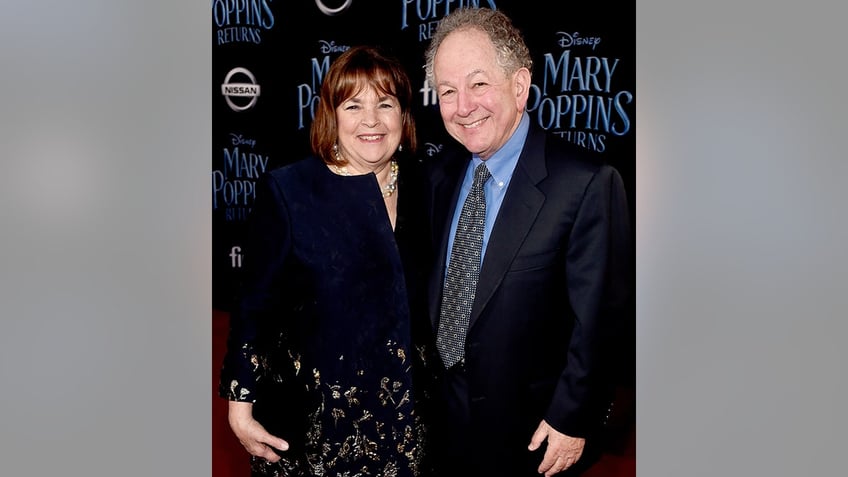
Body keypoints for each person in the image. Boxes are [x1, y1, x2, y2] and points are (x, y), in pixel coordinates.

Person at [422, 8, 633, 477]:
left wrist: (572, 417)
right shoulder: (438, 177)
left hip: (532, 437)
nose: (462, 106)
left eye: (478, 85)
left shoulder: (585, 183)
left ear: (519, 86)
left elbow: (601, 320)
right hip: (441, 427)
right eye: (447, 91)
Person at [218, 45, 438, 477]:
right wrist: (239, 407)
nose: (371, 120)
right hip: (313, 427)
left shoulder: (428, 185)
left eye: (385, 104)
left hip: (410, 425)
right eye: (353, 105)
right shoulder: (291, 191)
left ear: (404, 116)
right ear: (331, 116)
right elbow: (254, 307)